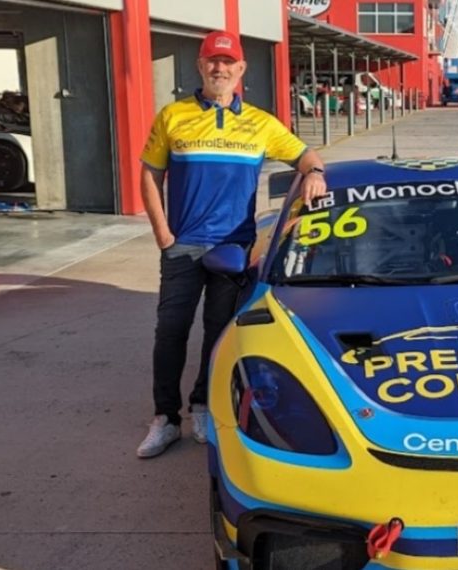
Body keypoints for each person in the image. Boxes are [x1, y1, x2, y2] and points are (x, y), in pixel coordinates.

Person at [136, 30, 328, 458]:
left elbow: (306, 156)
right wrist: (163, 235)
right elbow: (150, 174)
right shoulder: (173, 116)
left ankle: (202, 405)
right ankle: (165, 419)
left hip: (233, 250)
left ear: (241, 69)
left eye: (228, 62)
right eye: (212, 61)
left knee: (219, 334)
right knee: (170, 332)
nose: (219, 69)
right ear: (200, 66)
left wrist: (314, 172)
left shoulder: (261, 123)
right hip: (183, 245)